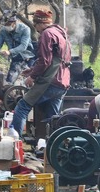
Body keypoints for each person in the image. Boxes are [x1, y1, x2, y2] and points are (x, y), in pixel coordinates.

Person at [10, 9, 71, 137]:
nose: (36, 29)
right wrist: (32, 69)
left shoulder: (46, 34)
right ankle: (52, 148)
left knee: (22, 107)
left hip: (50, 81)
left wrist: (32, 76)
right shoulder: (61, 34)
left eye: (35, 24)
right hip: (63, 81)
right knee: (53, 118)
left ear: (40, 23)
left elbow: (45, 61)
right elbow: (56, 59)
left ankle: (15, 144)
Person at [0, 10, 35, 84]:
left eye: (8, 24)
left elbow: (23, 46)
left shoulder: (25, 29)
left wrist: (9, 51)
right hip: (16, 57)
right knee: (10, 80)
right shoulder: (3, 31)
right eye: (5, 24)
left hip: (28, 56)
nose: (6, 26)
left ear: (14, 22)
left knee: (28, 80)